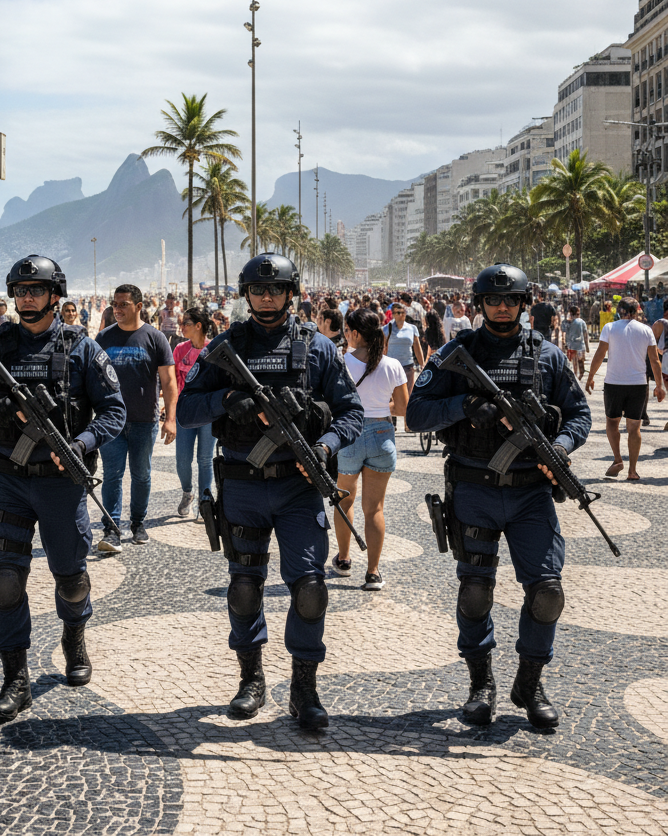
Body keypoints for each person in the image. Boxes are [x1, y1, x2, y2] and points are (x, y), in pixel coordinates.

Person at [177, 253, 364, 730]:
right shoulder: (225, 347)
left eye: (275, 290)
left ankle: (304, 688)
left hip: (299, 487)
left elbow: (352, 414)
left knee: (310, 589)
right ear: (246, 294)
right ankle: (251, 679)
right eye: (258, 290)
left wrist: (324, 447)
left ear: (290, 293)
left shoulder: (318, 348)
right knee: (243, 587)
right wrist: (228, 399)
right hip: (242, 484)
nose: (265, 297)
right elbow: (186, 411)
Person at [406, 263, 591, 729]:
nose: (503, 306)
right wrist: (464, 406)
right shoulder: (455, 354)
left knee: (547, 592)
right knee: (475, 592)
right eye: (493, 299)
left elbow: (579, 416)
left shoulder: (547, 357)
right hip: (474, 489)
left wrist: (562, 449)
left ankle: (530, 682)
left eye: (511, 300)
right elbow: (416, 414)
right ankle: (480, 684)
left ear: (525, 304)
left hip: (532, 493)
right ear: (480, 304)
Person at [0, 254, 126, 722]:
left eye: (36, 289)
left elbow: (114, 411)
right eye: (20, 289)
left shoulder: (82, 349)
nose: (27, 297)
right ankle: (15, 678)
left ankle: (74, 636)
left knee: (70, 579)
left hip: (60, 482)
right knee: (7, 582)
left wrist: (80, 441)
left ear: (55, 295)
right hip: (7, 477)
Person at [95, 284, 177, 550]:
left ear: (139, 306)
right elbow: (91, 379)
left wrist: (170, 418)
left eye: (123, 304)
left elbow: (169, 381)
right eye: (114, 304)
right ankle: (111, 528)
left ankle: (138, 523)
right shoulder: (103, 338)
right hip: (111, 421)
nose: (117, 309)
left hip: (145, 420)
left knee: (141, 475)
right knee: (112, 475)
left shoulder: (155, 338)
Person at [333, 309, 408, 591]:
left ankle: (343, 558)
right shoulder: (392, 365)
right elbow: (402, 408)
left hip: (349, 434)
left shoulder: (341, 363)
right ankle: (373, 572)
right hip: (382, 436)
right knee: (375, 508)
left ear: (355, 333)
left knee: (344, 500)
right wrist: (376, 408)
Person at [585, 296, 665, 481]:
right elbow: (655, 360)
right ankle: (632, 471)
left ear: (618, 311)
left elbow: (599, 354)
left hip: (614, 383)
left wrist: (590, 378)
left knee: (612, 423)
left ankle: (617, 459)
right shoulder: (646, 330)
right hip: (638, 385)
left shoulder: (610, 328)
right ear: (637, 311)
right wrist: (659, 386)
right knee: (634, 427)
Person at [174, 306, 215, 518]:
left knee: (205, 459)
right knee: (182, 459)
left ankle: (204, 503)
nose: (182, 327)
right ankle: (188, 492)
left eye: (186, 324)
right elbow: (172, 381)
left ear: (198, 326)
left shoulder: (214, 349)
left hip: (208, 413)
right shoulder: (180, 349)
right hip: (184, 412)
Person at [563, 305, 589, 381]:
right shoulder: (582, 322)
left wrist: (566, 344)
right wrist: (587, 346)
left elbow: (566, 334)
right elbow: (585, 334)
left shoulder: (568, 323)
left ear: (570, 313)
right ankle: (580, 375)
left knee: (574, 362)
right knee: (581, 361)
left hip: (572, 345)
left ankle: (575, 376)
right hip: (581, 345)